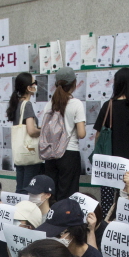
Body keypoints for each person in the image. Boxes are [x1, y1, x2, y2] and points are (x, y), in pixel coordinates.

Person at [93, 68, 129, 217]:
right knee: (126, 199)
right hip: (128, 161)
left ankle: (106, 226)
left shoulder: (109, 105)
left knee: (107, 202)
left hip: (109, 161)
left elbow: (98, 135)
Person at [41, 66, 86, 201]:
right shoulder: (76, 104)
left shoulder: (49, 104)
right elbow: (81, 133)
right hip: (69, 153)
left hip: (50, 154)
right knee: (68, 195)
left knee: (51, 194)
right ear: (74, 84)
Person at [9, 72, 43, 193]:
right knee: (28, 190)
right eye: (35, 83)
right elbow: (31, 131)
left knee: (20, 189)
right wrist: (44, 131)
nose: (36, 85)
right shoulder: (27, 105)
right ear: (29, 88)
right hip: (30, 156)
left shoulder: (16, 104)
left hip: (20, 154)